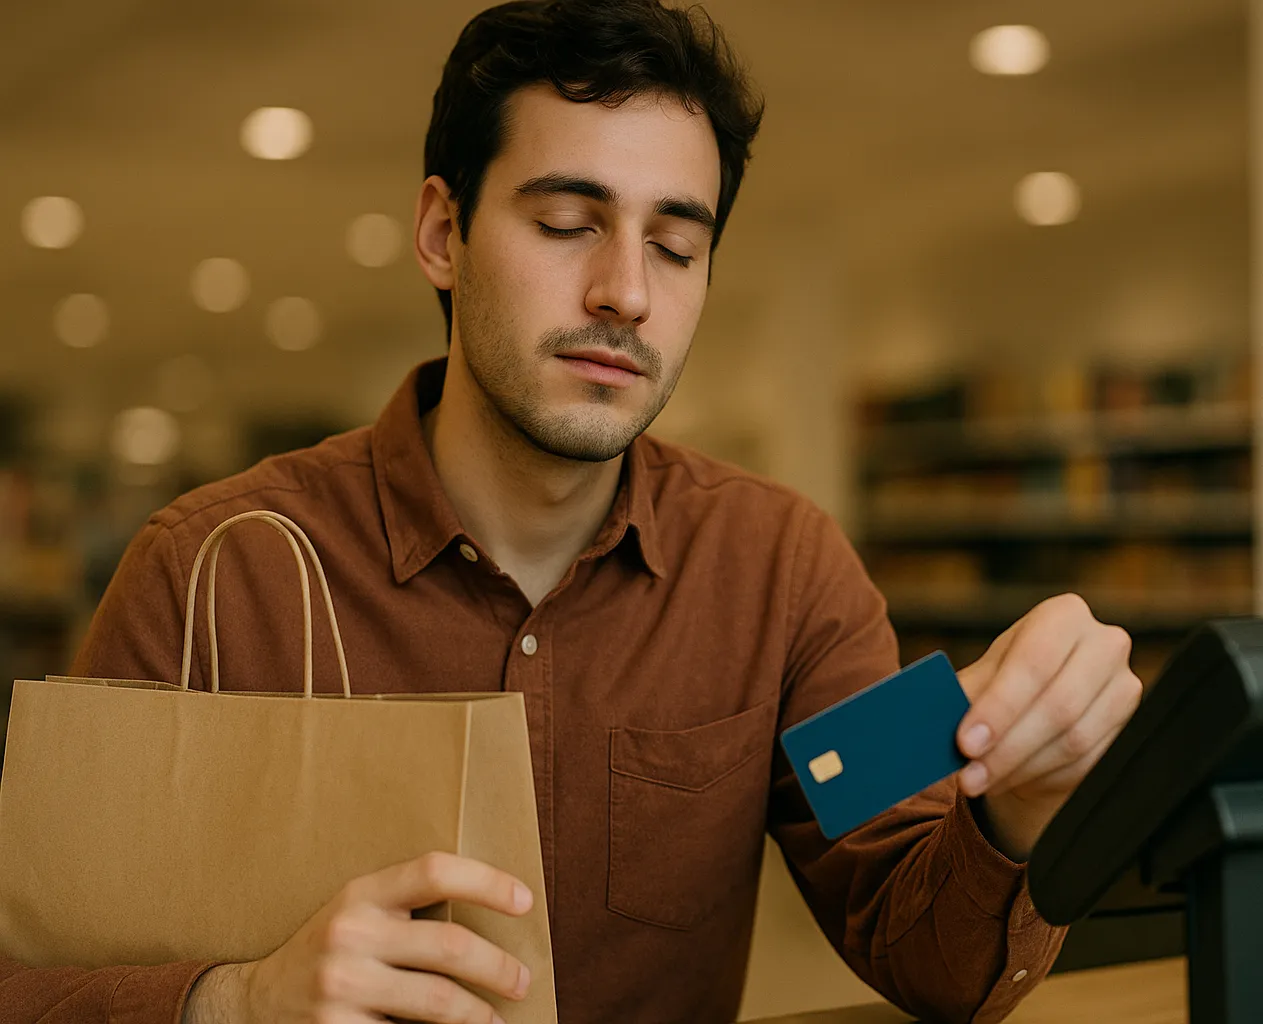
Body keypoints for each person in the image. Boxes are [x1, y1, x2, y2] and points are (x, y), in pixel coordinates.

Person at [0, 2, 1141, 1022]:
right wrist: (231, 1002)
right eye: (564, 224)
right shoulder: (211, 568)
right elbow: (26, 974)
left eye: (675, 244)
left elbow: (926, 947)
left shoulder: (780, 570)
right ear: (443, 235)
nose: (627, 292)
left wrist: (1020, 807)